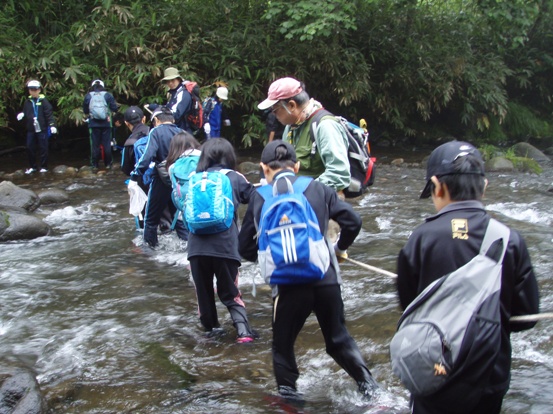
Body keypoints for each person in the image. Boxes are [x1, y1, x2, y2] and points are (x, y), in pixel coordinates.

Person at [396, 140, 540, 414]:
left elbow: (408, 307)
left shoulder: (421, 238)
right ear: (484, 187)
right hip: (489, 375)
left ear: (437, 186)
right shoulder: (509, 239)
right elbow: (528, 315)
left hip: (433, 371)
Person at [238, 140, 380, 401]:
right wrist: (339, 248)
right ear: (297, 166)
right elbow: (353, 221)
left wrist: (271, 255)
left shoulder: (259, 197)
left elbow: (244, 248)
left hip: (288, 288)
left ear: (263, 168)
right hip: (325, 279)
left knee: (282, 348)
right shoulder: (319, 188)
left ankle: (290, 401)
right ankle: (371, 390)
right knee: (339, 340)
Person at [187, 138, 256, 343]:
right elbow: (255, 198)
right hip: (225, 246)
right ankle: (243, 332)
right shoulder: (234, 177)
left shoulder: (194, 179)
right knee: (230, 292)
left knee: (203, 293)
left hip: (196, 248)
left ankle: (210, 332)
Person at [258, 77, 350, 196]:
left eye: (275, 110)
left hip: (323, 202)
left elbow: (339, 174)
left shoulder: (325, 126)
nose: (274, 115)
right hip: (298, 199)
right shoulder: (290, 127)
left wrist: (304, 190)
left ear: (291, 105)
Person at [129, 106, 187, 247]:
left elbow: (147, 156)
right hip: (179, 181)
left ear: (155, 120)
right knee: (179, 216)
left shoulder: (156, 132)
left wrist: (135, 176)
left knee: (151, 218)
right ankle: (187, 247)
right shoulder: (182, 133)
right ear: (173, 119)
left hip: (161, 180)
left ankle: (150, 250)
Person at [16, 80, 57, 174]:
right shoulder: (28, 102)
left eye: (35, 89)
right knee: (29, 147)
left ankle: (44, 166)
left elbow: (49, 114)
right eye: (31, 90)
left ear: (39, 90)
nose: (33, 91)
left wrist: (52, 125)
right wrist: (22, 114)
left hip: (42, 129)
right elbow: (26, 112)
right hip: (31, 129)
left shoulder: (44, 101)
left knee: (43, 148)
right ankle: (32, 167)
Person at [121, 106, 150, 228]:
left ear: (126, 123)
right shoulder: (156, 132)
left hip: (141, 184)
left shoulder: (129, 142)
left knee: (143, 218)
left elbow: (125, 168)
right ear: (144, 119)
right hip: (162, 180)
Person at [82, 79, 119, 168]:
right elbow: (115, 108)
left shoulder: (88, 96)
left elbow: (85, 110)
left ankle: (94, 165)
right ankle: (108, 164)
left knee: (95, 145)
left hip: (93, 124)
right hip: (106, 124)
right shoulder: (107, 95)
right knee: (107, 144)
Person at [153, 67, 194, 134]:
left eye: (173, 80)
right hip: (177, 131)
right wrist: (156, 107)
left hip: (184, 132)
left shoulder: (184, 93)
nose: (170, 83)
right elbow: (169, 108)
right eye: (168, 81)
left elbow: (177, 115)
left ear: (178, 79)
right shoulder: (174, 93)